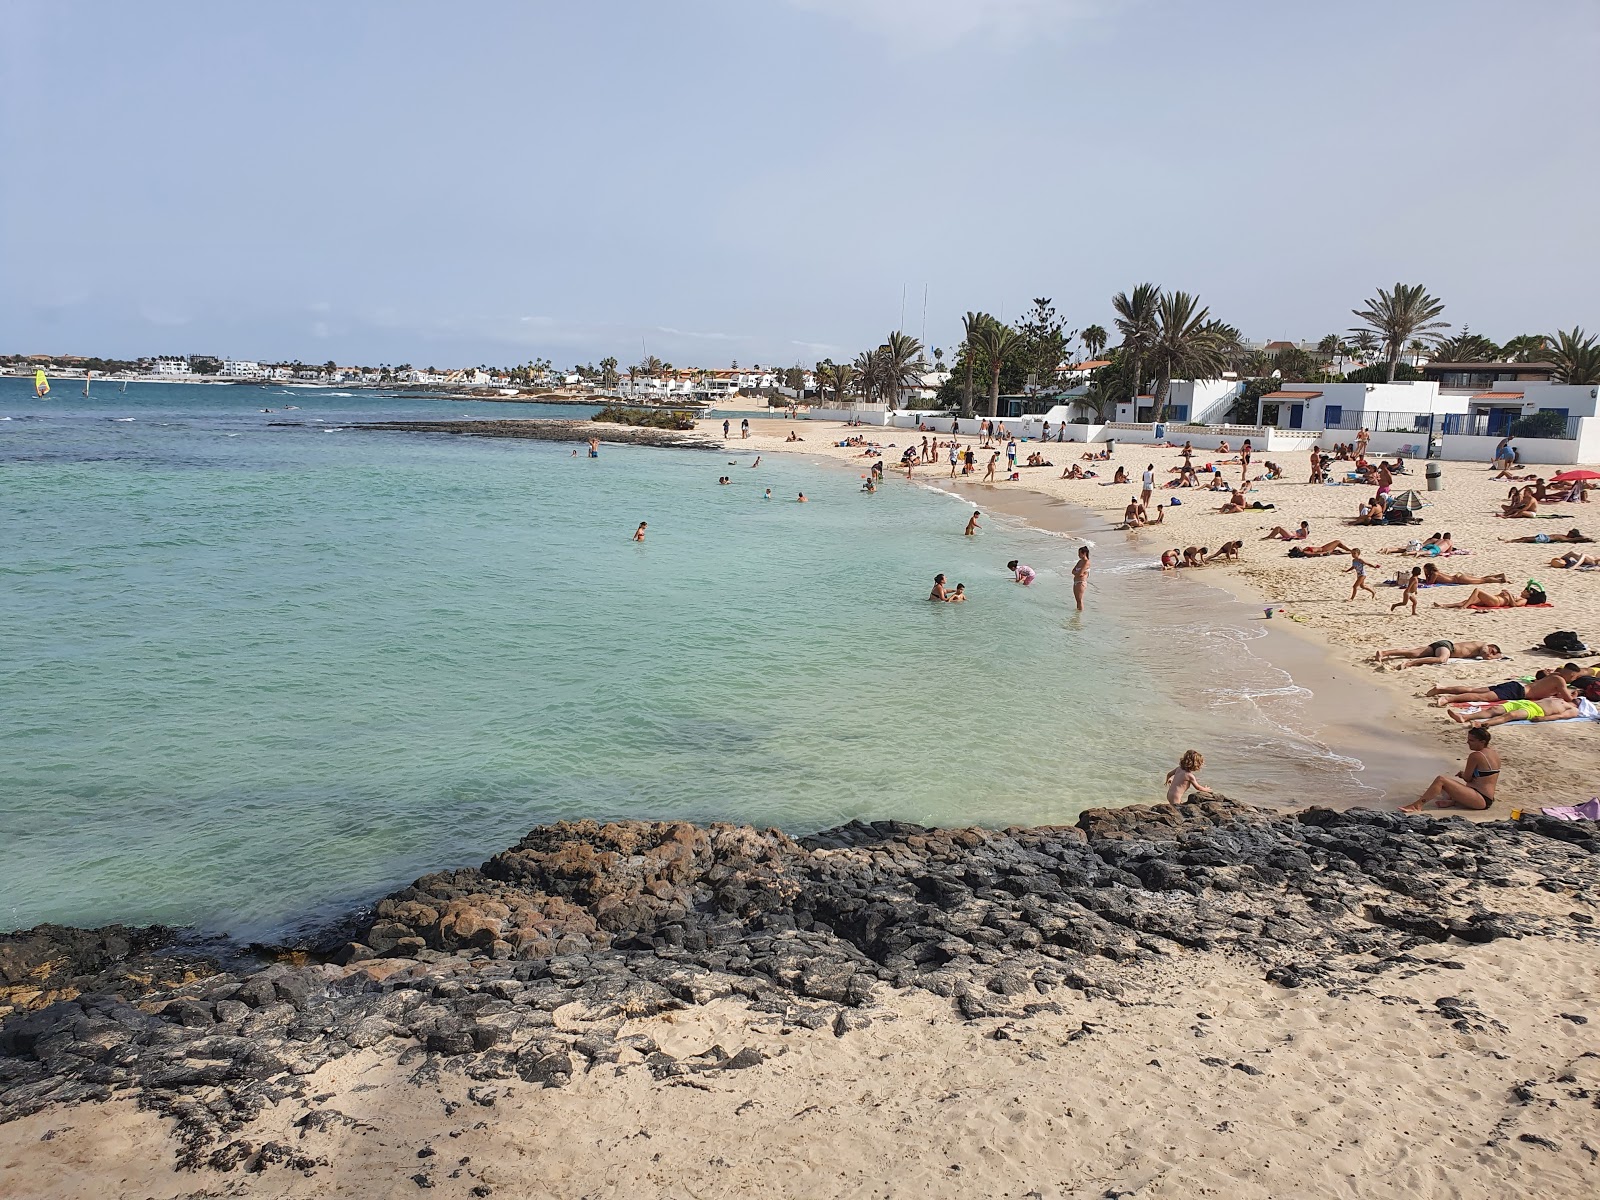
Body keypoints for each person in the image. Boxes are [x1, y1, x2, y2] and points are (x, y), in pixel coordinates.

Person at [1401, 727, 1500, 812]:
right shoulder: (1493, 753)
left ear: (1482, 742)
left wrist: (1462, 774)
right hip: (1486, 797)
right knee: (1442, 788)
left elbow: (1467, 778)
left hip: (1480, 798)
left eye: (1471, 740)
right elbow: (1484, 776)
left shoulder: (1476, 755)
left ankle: (1417, 805)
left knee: (1441, 780)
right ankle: (1454, 801)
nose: (1468, 742)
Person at [1428, 664, 1582, 708]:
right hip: (1518, 691)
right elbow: (1568, 699)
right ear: (1571, 675)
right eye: (1573, 677)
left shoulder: (1554, 676)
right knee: (1482, 697)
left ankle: (1441, 688)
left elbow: (1547, 691)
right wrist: (1574, 695)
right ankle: (1447, 698)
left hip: (1517, 685)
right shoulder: (1560, 681)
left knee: (1475, 689)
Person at [1448, 694, 1579, 728]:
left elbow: (1559, 716)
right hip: (1528, 703)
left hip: (1537, 710)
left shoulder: (1573, 710)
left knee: (1511, 715)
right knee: (1495, 708)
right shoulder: (1560, 699)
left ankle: (1482, 724)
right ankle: (1465, 717)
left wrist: (1543, 719)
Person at [1374, 639, 1502, 669]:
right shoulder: (1484, 645)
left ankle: (1384, 653)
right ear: (1491, 646)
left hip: (1444, 646)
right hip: (1448, 647)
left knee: (1414, 652)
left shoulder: (1481, 650)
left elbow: (1486, 656)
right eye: (1493, 651)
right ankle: (1411, 663)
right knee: (1441, 659)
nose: (1491, 654)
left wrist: (1496, 655)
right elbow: (1486, 655)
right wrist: (1496, 656)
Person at [1432, 583, 1546, 610]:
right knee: (1469, 600)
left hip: (1496, 601)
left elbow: (1514, 605)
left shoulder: (1524, 600)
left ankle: (1464, 607)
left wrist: (1509, 595)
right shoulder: (1523, 598)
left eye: (1526, 590)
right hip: (1496, 598)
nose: (1523, 590)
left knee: (1477, 591)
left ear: (1529, 594)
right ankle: (1444, 605)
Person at [1422, 563, 1507, 585]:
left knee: (1482, 580)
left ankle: (1500, 581)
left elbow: (1430, 583)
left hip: (1458, 579)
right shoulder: (1436, 572)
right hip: (1457, 577)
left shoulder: (1434, 574)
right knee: (1480, 578)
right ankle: (1498, 576)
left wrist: (1426, 575)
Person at [1505, 528, 1589, 544]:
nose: (1568, 532)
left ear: (1573, 535)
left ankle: (1511, 541)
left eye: (1570, 532)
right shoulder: (1565, 536)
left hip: (1546, 539)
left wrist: (1582, 537)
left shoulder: (1567, 539)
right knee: (1525, 538)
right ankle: (1512, 540)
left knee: (1527, 539)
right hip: (1544, 536)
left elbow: (1582, 538)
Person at [1288, 540, 1355, 558]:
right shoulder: (1306, 552)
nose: (1298, 546)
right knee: (1338, 542)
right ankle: (1350, 551)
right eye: (1297, 547)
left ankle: (1349, 551)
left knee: (1338, 545)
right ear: (1298, 551)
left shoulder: (1304, 550)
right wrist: (1327, 553)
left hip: (1323, 548)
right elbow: (1315, 554)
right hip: (1324, 550)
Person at [1072, 546, 1090, 611]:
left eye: (1080, 553)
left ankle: (1080, 614)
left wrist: (1078, 573)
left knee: (1080, 600)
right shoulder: (1080, 562)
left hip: (1081, 583)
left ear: (1084, 553)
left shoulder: (1086, 562)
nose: (1078, 555)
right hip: (1076, 582)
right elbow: (1073, 571)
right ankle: (1077, 614)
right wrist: (1078, 573)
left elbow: (1080, 573)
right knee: (1077, 600)